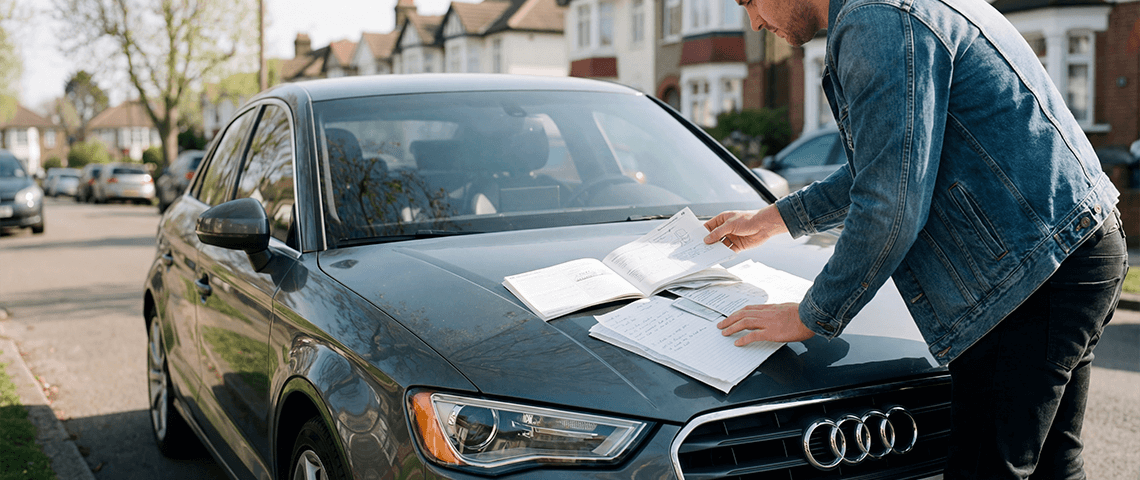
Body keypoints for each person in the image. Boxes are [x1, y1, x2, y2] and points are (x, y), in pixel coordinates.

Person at [703, 0, 1130, 477]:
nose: (755, 22)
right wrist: (771, 221)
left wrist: (810, 316)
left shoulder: (876, 20)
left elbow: (888, 204)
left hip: (1028, 278)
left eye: (749, 1)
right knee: (1055, 465)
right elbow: (890, 166)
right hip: (1070, 249)